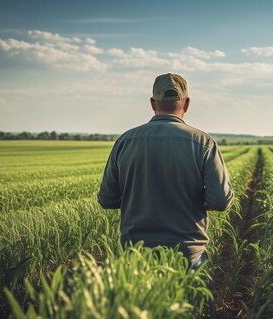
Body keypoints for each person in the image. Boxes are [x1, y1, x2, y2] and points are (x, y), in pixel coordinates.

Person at [98, 73, 234, 269]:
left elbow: (107, 199)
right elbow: (220, 201)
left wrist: (141, 198)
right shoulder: (203, 142)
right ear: (186, 104)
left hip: (135, 253)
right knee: (189, 300)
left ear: (153, 104)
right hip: (187, 253)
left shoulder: (125, 141)